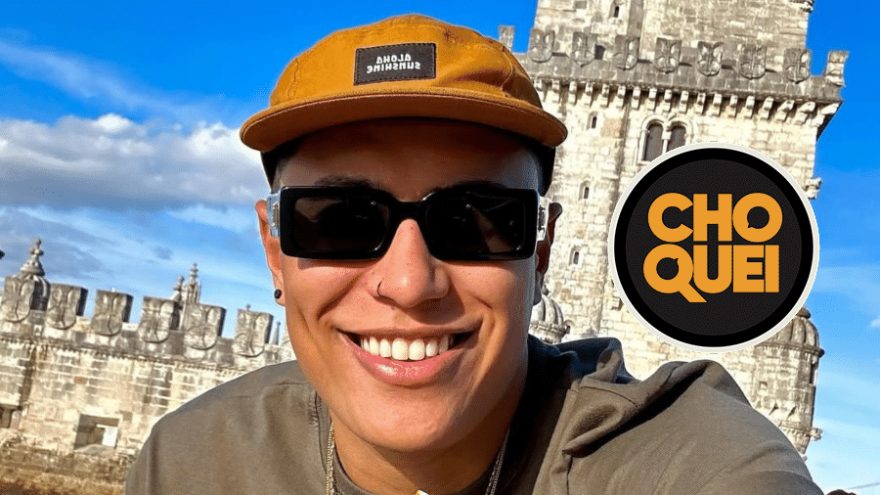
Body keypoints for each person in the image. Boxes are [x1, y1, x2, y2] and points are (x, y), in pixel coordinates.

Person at [125, 14, 824, 494]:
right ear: (275, 250)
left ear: (541, 252)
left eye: (478, 220)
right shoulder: (190, 463)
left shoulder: (684, 463)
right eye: (340, 221)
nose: (409, 282)